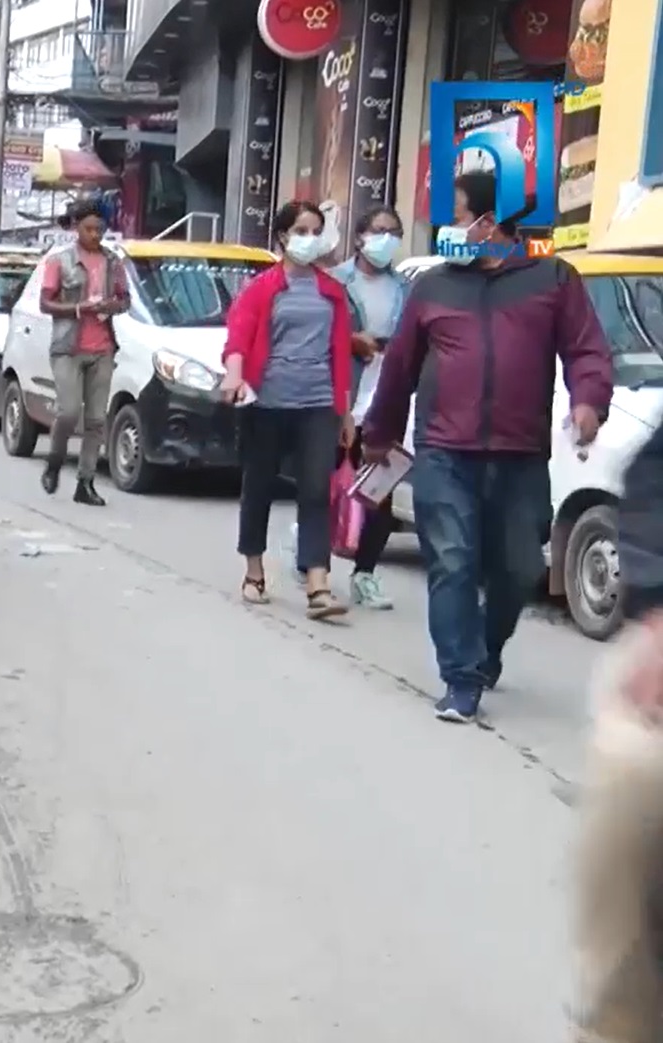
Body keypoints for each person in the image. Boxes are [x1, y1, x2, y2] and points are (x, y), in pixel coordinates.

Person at [362, 172, 614, 721]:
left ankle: (484, 648)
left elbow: (587, 351)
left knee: (520, 567)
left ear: (488, 222)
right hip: (444, 452)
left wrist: (588, 401)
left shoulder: (552, 279)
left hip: (520, 456)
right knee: (452, 561)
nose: (447, 229)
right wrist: (378, 435)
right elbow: (399, 368)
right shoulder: (433, 286)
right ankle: (461, 680)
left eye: (454, 216)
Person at [220, 200, 358, 620]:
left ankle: (318, 582)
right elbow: (238, 342)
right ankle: (254, 570)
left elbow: (341, 356)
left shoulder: (332, 292)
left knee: (316, 489)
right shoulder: (261, 289)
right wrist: (234, 375)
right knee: (259, 485)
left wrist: (345, 412)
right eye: (301, 230)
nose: (310, 239)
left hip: (318, 403)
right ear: (282, 237)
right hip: (267, 402)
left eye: (317, 231)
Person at [323, 204, 410, 609]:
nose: (386, 239)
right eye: (379, 230)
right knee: (328, 484)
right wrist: (351, 340)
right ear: (360, 237)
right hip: (342, 396)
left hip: (386, 401)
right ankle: (314, 562)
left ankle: (365, 574)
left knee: (380, 492)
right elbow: (318, 333)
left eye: (394, 231)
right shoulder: (335, 282)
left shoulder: (405, 289)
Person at [37, 200, 130, 506]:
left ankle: (85, 482)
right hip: (68, 348)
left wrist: (111, 305)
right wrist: (79, 308)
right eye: (89, 229)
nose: (95, 235)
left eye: (100, 229)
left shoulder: (113, 262)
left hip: (102, 348)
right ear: (77, 227)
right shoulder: (60, 262)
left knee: (96, 420)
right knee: (68, 413)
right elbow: (45, 304)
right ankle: (54, 461)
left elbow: (125, 299)